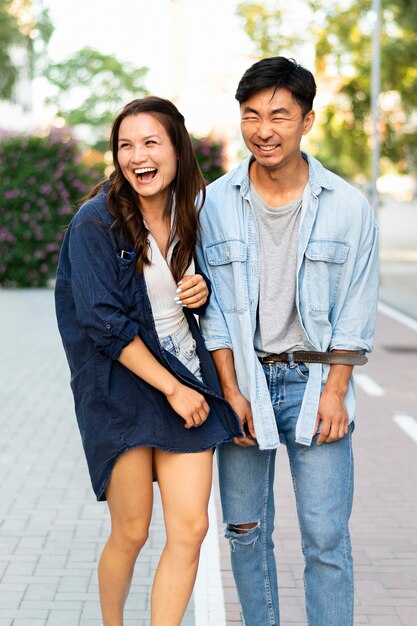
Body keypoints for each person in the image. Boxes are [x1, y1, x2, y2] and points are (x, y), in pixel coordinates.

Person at [196, 56, 379, 626]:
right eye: (251, 116)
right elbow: (217, 314)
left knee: (325, 539)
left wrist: (336, 391)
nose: (263, 129)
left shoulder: (348, 207)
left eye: (279, 114)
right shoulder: (214, 204)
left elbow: (356, 308)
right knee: (246, 534)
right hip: (244, 383)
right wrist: (230, 389)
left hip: (316, 383)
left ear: (307, 120)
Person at [55, 96, 241, 626]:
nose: (137, 155)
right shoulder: (97, 222)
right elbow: (103, 323)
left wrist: (200, 291)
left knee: (191, 529)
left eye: (150, 142)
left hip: (183, 374)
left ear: (177, 149)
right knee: (132, 529)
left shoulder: (193, 213)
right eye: (125, 145)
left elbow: (204, 304)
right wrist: (176, 390)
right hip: (122, 387)